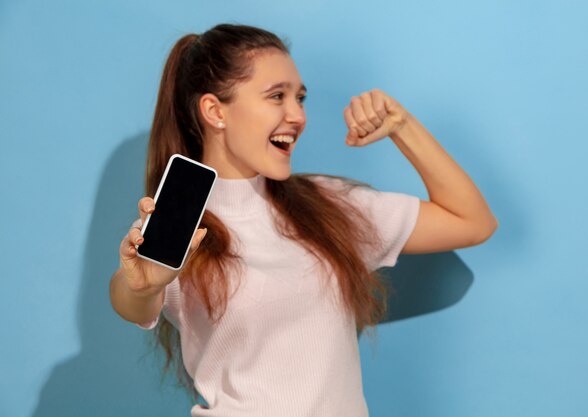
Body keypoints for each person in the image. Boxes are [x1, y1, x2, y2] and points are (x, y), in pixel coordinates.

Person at [109, 23, 497, 417]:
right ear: (214, 111)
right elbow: (132, 301)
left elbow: (472, 222)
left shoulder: (328, 206)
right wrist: (141, 286)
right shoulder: (181, 226)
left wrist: (402, 126)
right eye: (277, 96)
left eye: (301, 98)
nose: (297, 115)